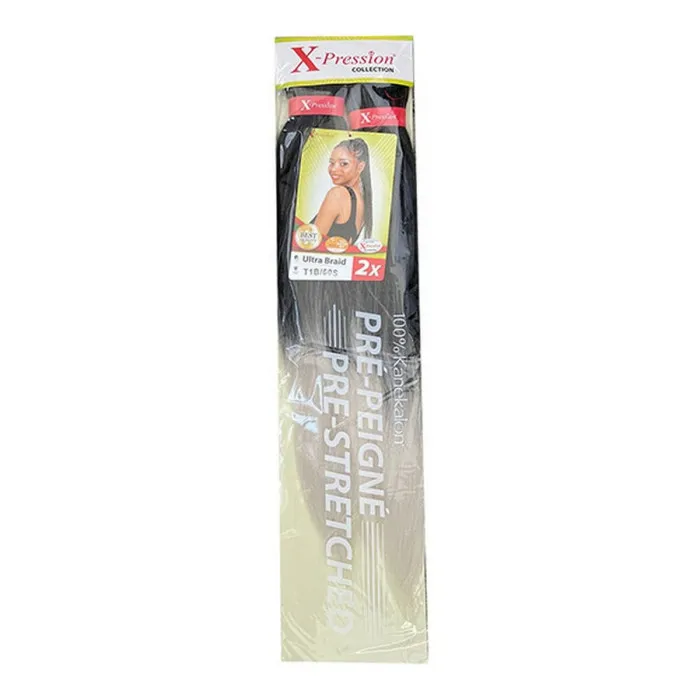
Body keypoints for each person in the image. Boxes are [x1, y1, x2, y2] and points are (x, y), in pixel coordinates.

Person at [312, 138, 373, 245]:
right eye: (331, 163)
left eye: (344, 164)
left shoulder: (338, 194)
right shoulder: (363, 201)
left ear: (360, 167)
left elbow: (311, 244)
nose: (333, 169)